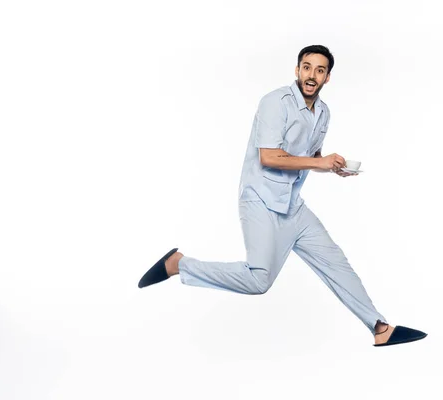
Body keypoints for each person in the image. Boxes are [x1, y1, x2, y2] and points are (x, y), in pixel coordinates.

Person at [138, 45, 427, 347]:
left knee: (336, 262)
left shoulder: (323, 113)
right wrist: (319, 162)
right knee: (259, 281)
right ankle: (179, 264)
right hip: (260, 201)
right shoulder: (275, 102)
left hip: (293, 206)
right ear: (297, 70)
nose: (311, 75)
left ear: (328, 77)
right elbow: (270, 157)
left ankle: (380, 328)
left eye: (319, 70)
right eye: (306, 67)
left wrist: (331, 167)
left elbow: (309, 155)